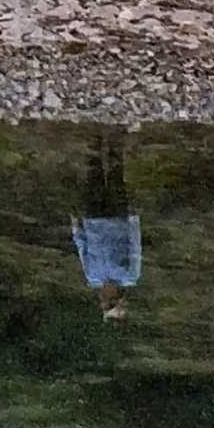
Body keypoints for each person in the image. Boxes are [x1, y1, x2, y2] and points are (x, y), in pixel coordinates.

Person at [70, 131, 141, 313]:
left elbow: (82, 250)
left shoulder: (92, 277)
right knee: (116, 176)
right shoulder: (130, 276)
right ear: (116, 298)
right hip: (119, 219)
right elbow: (134, 248)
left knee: (93, 176)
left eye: (104, 304)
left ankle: (94, 140)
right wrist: (134, 221)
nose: (103, 300)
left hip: (93, 222)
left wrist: (76, 228)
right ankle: (116, 141)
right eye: (108, 303)